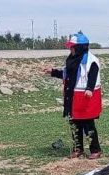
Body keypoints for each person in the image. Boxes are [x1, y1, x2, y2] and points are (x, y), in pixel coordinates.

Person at [44, 31, 103, 160]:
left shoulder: (92, 61)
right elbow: (66, 74)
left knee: (88, 125)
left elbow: (93, 76)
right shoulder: (72, 60)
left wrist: (89, 89)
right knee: (74, 124)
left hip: (85, 98)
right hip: (73, 97)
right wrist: (53, 72)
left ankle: (95, 150)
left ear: (80, 47)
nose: (70, 49)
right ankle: (78, 149)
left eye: (72, 47)